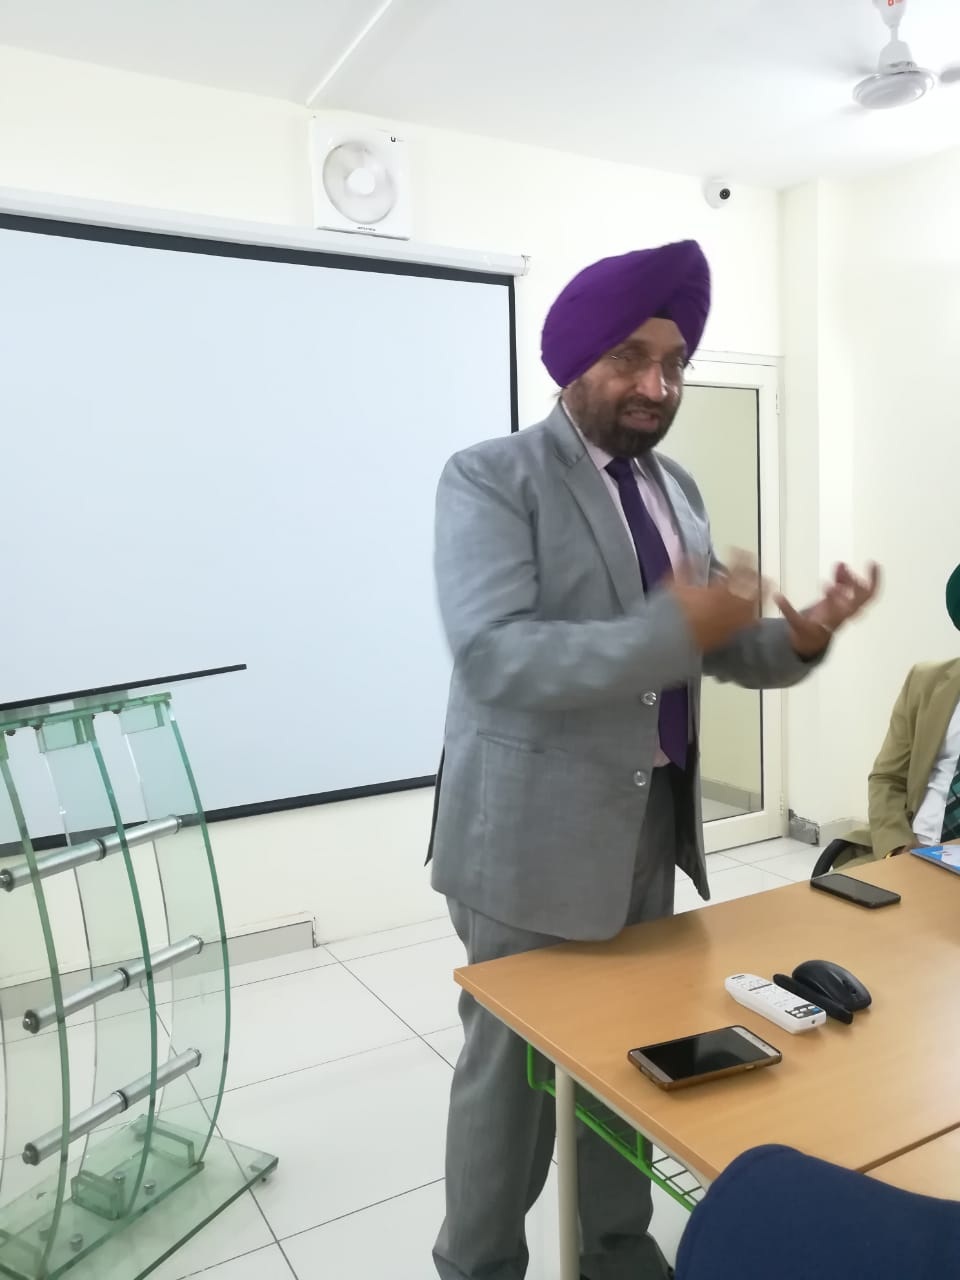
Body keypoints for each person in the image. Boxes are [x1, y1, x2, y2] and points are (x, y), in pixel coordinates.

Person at [427, 240, 879, 1280]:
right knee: (513, 1082)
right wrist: (674, 626)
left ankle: (618, 1250)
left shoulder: (676, 487)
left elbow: (712, 647)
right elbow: (495, 657)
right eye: (630, 357)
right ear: (575, 359)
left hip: (647, 827)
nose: (657, 385)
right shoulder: (491, 477)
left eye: (674, 362)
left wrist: (802, 635)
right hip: (526, 841)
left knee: (633, 1057)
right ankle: (477, 1266)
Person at [840, 563, 960, 862]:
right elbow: (887, 778)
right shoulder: (926, 682)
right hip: (912, 850)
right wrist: (898, 847)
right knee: (827, 890)